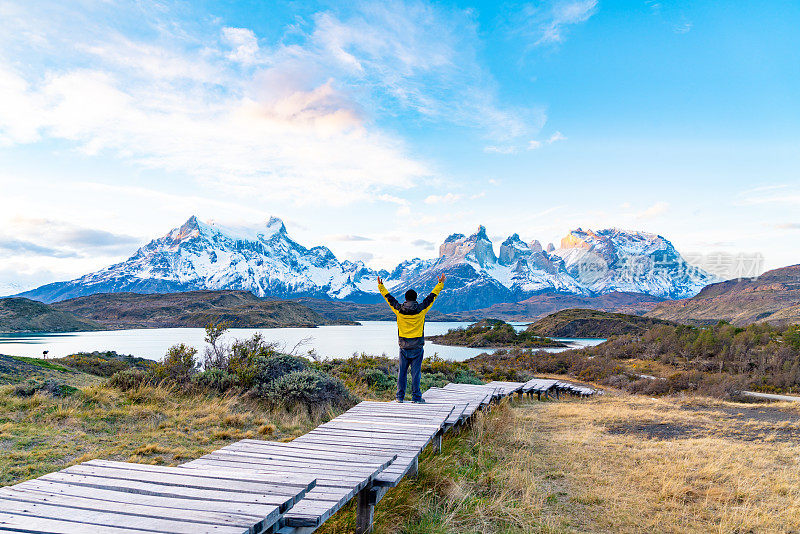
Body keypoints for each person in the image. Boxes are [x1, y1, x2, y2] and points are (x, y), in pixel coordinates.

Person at [377, 273, 446, 403]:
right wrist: (440, 283)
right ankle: (416, 397)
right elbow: (432, 296)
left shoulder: (398, 309)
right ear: (415, 298)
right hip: (417, 347)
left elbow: (388, 298)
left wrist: (381, 286)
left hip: (403, 346)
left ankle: (399, 397)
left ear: (405, 298)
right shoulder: (421, 309)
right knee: (416, 373)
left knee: (402, 373)